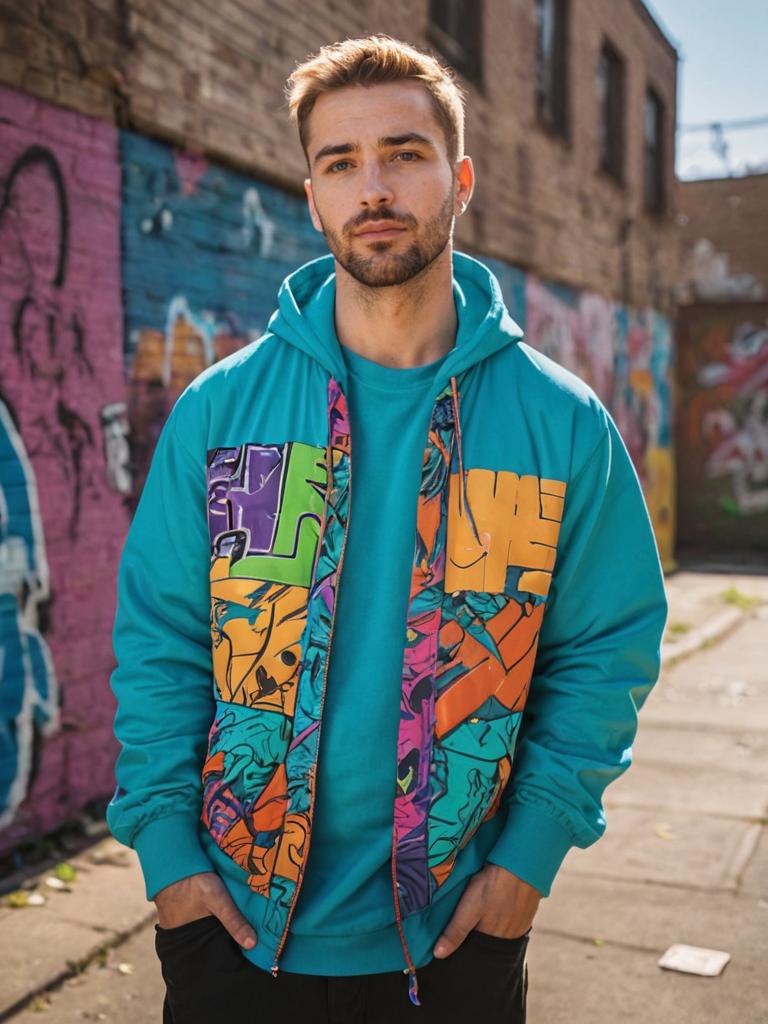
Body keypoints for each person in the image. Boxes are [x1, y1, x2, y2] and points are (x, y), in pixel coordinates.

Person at [106, 34, 668, 1024]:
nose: (374, 186)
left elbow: (604, 648)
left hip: (457, 937)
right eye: (340, 162)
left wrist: (525, 863)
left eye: (404, 154)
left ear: (458, 180)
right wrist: (170, 868)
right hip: (231, 932)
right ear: (313, 196)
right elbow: (160, 641)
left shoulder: (560, 422)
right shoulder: (222, 412)